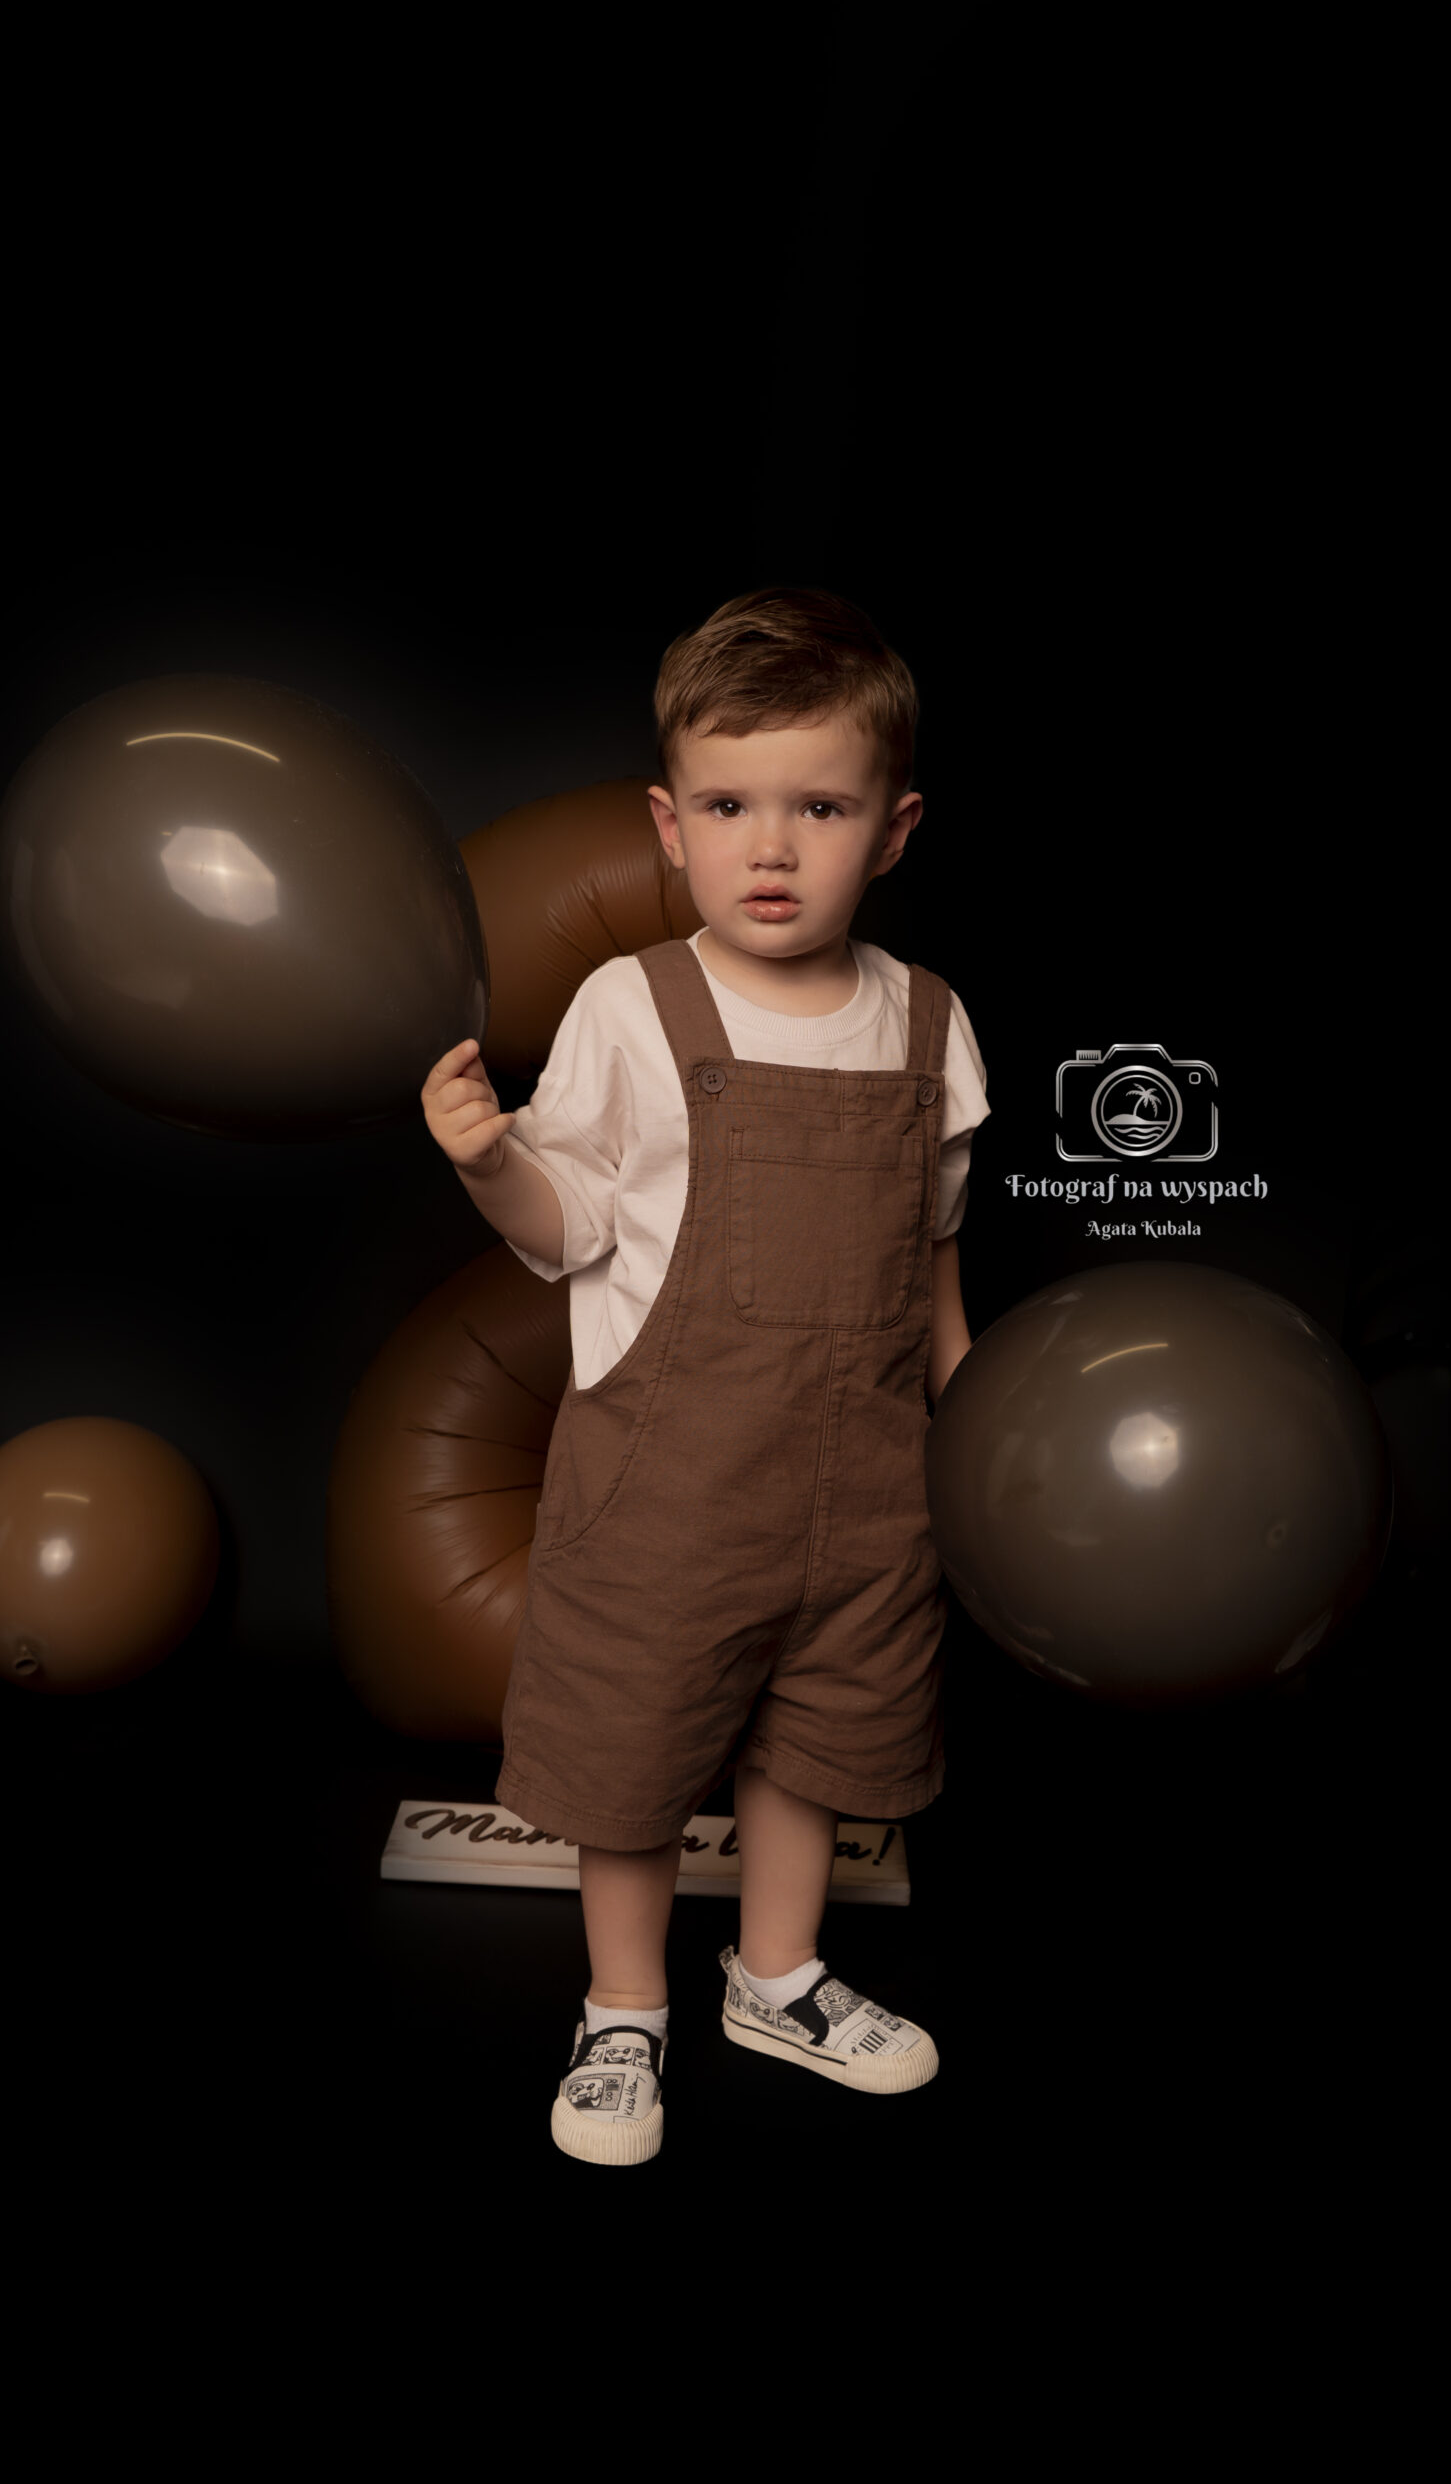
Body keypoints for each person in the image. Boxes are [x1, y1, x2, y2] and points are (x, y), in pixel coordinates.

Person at [421, 586, 989, 2164]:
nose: (771, 847)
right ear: (671, 827)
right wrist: (488, 1163)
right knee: (636, 1753)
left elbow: (932, 1254)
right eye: (731, 807)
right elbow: (567, 1228)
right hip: (667, 1491)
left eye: (821, 807)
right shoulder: (631, 1008)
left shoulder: (929, 1023)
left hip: (869, 1491)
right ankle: (623, 2008)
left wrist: (974, 1426)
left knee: (823, 1740)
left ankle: (775, 1977)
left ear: (892, 829)